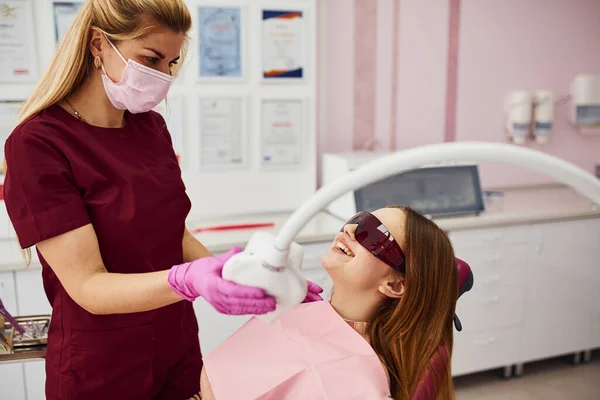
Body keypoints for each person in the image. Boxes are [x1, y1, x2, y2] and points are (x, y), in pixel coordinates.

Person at [1, 1, 322, 399]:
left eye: (170, 62)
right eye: (150, 58)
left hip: (177, 346)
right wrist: (188, 280)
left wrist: (252, 278)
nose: (162, 75)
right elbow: (87, 286)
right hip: (101, 363)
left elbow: (174, 232)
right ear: (98, 44)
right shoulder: (38, 144)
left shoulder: (150, 128)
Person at [200, 206, 460, 400]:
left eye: (374, 236)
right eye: (359, 219)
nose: (350, 230)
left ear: (394, 285)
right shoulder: (297, 309)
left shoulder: (363, 383)